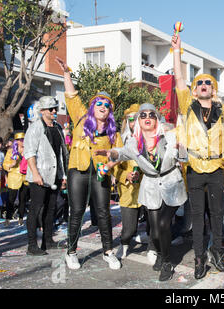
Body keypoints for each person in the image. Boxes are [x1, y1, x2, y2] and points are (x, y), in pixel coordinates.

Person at [101, 103, 188, 281]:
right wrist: (111, 154)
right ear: (139, 121)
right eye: (143, 115)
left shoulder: (170, 135)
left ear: (157, 119)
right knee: (155, 230)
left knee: (164, 224)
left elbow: (184, 156)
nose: (147, 117)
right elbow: (123, 153)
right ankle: (162, 254)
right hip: (151, 186)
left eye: (151, 114)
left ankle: (167, 262)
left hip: (171, 183)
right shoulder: (134, 142)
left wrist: (181, 147)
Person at [171, 33, 224, 279]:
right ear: (195, 91)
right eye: (200, 83)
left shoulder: (223, 109)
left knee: (217, 215)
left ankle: (216, 254)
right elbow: (178, 79)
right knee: (198, 217)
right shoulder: (188, 104)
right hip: (195, 168)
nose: (204, 85)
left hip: (217, 168)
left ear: (214, 89)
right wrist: (177, 52)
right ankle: (199, 259)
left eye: (208, 82)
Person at [55, 57, 124, 270]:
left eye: (107, 105)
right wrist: (67, 72)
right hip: (78, 169)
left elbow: (119, 154)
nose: (103, 106)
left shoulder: (113, 131)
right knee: (76, 211)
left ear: (110, 111)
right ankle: (71, 252)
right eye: (100, 103)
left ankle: (108, 251)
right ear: (94, 106)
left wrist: (110, 165)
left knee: (103, 212)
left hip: (100, 173)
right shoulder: (81, 118)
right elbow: (72, 96)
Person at [23, 96, 69, 255]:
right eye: (51, 109)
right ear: (42, 111)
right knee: (35, 209)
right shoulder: (35, 127)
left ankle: (48, 241)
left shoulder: (57, 127)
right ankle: (31, 245)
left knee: (51, 208)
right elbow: (29, 152)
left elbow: (61, 154)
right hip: (40, 175)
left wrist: (63, 176)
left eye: (55, 108)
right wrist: (35, 173)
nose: (54, 111)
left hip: (54, 175)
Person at [114, 104, 144, 260]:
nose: (135, 122)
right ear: (127, 121)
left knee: (155, 223)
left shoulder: (149, 138)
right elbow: (114, 166)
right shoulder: (120, 140)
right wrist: (126, 176)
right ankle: (124, 243)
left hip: (147, 187)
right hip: (128, 190)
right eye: (131, 119)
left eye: (138, 118)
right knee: (129, 228)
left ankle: (154, 248)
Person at [3, 132, 30, 226]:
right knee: (11, 198)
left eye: (23, 139)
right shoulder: (11, 151)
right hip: (14, 176)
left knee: (23, 198)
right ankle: (8, 218)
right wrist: (11, 165)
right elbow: (5, 164)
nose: (21, 141)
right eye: (19, 140)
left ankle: (21, 217)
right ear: (16, 141)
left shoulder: (29, 149)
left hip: (25, 176)